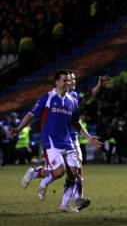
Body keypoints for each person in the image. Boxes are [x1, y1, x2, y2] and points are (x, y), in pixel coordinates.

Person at [11, 70, 102, 213]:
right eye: (65, 80)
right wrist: (18, 128)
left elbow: (76, 122)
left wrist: (89, 137)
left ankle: (65, 205)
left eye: (69, 80)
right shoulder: (47, 97)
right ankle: (43, 182)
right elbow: (30, 114)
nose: (68, 83)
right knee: (59, 171)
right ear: (57, 82)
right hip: (51, 141)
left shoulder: (72, 100)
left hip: (68, 141)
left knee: (74, 173)